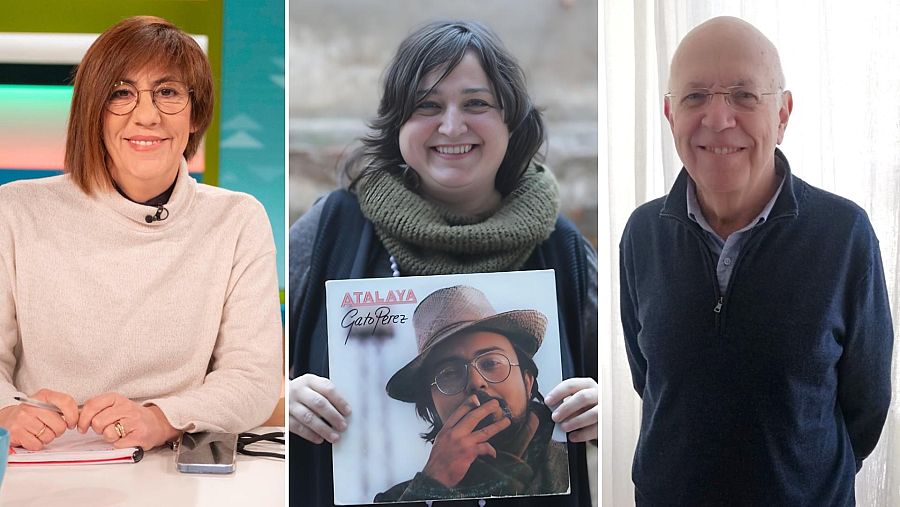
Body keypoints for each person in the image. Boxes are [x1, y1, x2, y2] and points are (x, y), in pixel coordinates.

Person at [289, 20, 598, 507]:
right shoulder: (332, 229)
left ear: (511, 121)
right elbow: (249, 355)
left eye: (476, 104)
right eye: (427, 106)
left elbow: (633, 384)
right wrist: (282, 399)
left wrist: (605, 409)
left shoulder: (563, 247)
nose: (452, 127)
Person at [619, 16, 894, 506]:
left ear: (783, 114)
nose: (718, 119)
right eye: (695, 96)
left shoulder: (844, 234)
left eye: (744, 95)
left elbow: (866, 405)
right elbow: (651, 380)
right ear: (669, 115)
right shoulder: (642, 235)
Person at [0, 16, 282, 452]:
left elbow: (253, 379)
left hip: (169, 466)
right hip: (43, 464)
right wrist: (7, 410)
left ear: (195, 115)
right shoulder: (15, 210)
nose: (146, 115)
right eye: (121, 93)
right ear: (92, 112)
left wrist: (160, 419)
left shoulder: (238, 218)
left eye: (168, 92)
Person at [374, 285, 569, 502]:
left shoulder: (580, 462)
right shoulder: (396, 499)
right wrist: (431, 484)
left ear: (527, 382)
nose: (476, 382)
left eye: (491, 362)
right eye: (449, 373)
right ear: (430, 403)